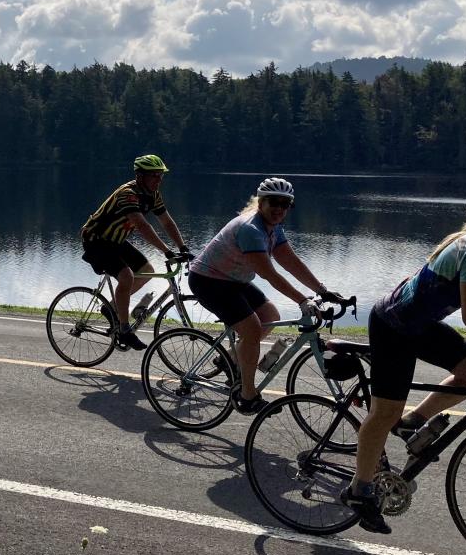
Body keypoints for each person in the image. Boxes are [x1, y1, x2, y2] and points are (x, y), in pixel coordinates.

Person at [342, 180, 466, 534]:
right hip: (393, 327)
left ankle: (411, 422)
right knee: (383, 411)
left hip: (419, 326)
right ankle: (360, 489)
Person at [187, 177, 339, 413]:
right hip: (209, 281)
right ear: (261, 203)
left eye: (285, 204)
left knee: (270, 314)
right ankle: (247, 395)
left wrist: (322, 290)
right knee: (252, 330)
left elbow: (289, 260)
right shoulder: (251, 229)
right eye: (273, 202)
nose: (279, 208)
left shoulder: (273, 227)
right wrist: (301, 300)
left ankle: (229, 359)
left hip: (234, 280)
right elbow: (270, 274)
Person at [80, 155, 190, 350]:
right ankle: (124, 330)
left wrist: (182, 247)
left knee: (146, 270)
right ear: (140, 176)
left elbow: (166, 221)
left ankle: (111, 307)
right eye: (154, 176)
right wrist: (166, 251)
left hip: (116, 241)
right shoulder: (128, 194)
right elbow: (142, 226)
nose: (159, 180)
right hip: (96, 240)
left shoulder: (152, 193)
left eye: (161, 175)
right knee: (127, 276)